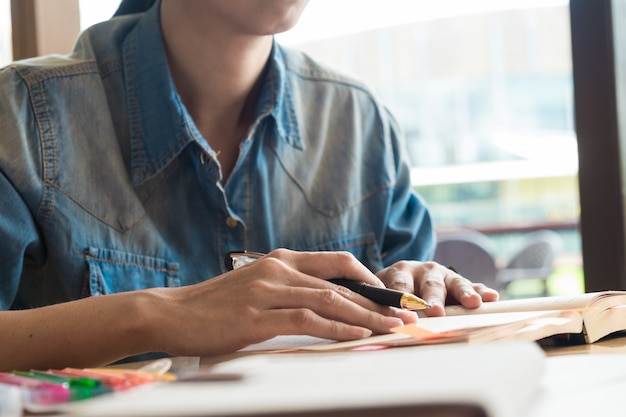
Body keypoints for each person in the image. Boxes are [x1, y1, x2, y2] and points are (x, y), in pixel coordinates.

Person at [0, 0, 498, 371]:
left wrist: (422, 291)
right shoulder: (23, 119)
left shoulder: (361, 123)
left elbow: (417, 352)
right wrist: (156, 315)